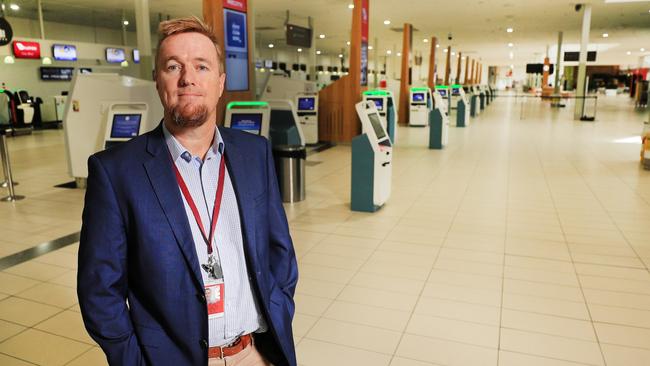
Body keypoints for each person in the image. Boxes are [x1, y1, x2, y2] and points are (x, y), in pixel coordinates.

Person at [77, 16, 298, 366]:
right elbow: (99, 290)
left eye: (202, 66)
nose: (188, 78)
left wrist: (279, 310)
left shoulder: (254, 153)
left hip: (253, 353)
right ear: (157, 80)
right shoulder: (116, 171)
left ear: (221, 82)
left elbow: (280, 253)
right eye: (173, 66)